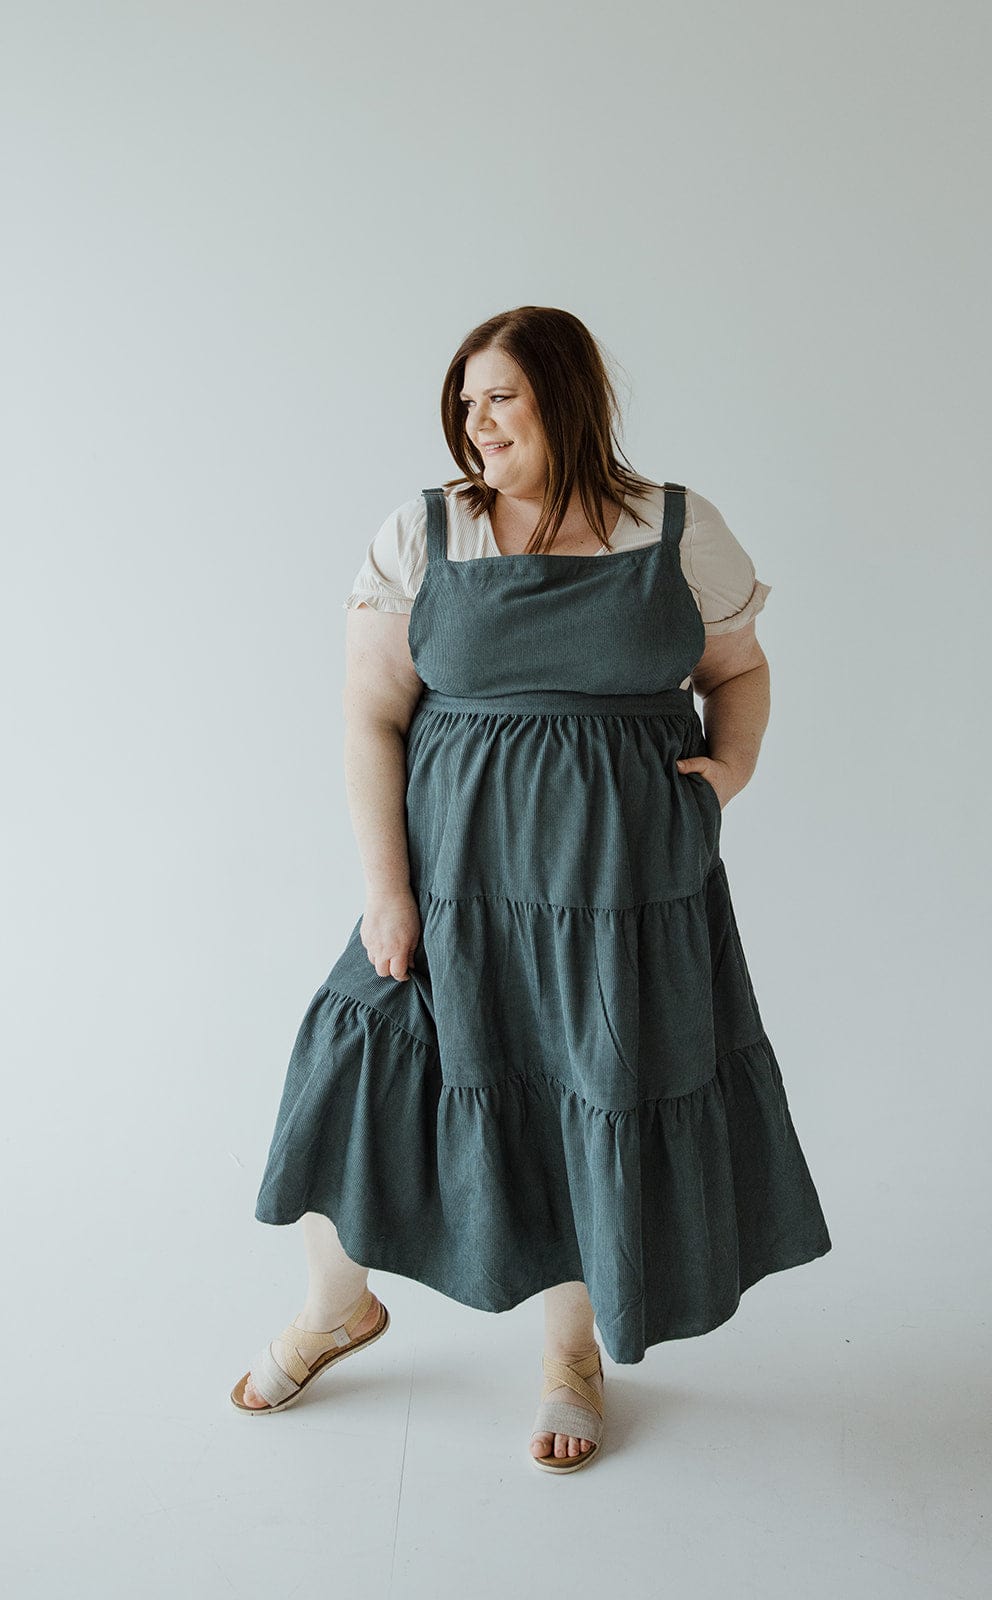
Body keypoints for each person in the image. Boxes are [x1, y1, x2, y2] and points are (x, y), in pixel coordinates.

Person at [230, 305, 832, 1473]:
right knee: (346, 1070)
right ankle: (333, 1308)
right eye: (465, 400)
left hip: (621, 889)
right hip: (453, 883)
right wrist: (386, 891)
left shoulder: (673, 528)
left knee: (579, 1092)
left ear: (565, 395)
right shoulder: (430, 533)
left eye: (498, 395)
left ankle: (570, 1356)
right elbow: (369, 713)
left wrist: (730, 772)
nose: (476, 421)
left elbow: (738, 669)